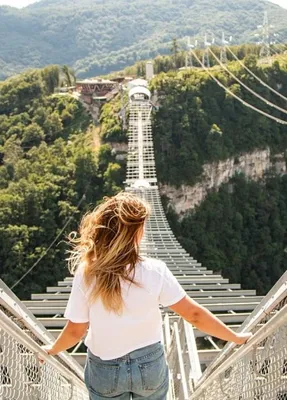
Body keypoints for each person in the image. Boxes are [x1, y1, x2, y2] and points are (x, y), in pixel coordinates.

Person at [42, 192, 252, 399]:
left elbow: (76, 331)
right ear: (137, 233)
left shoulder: (87, 273)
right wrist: (235, 337)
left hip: (105, 368)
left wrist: (52, 350)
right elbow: (193, 315)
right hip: (149, 364)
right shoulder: (155, 270)